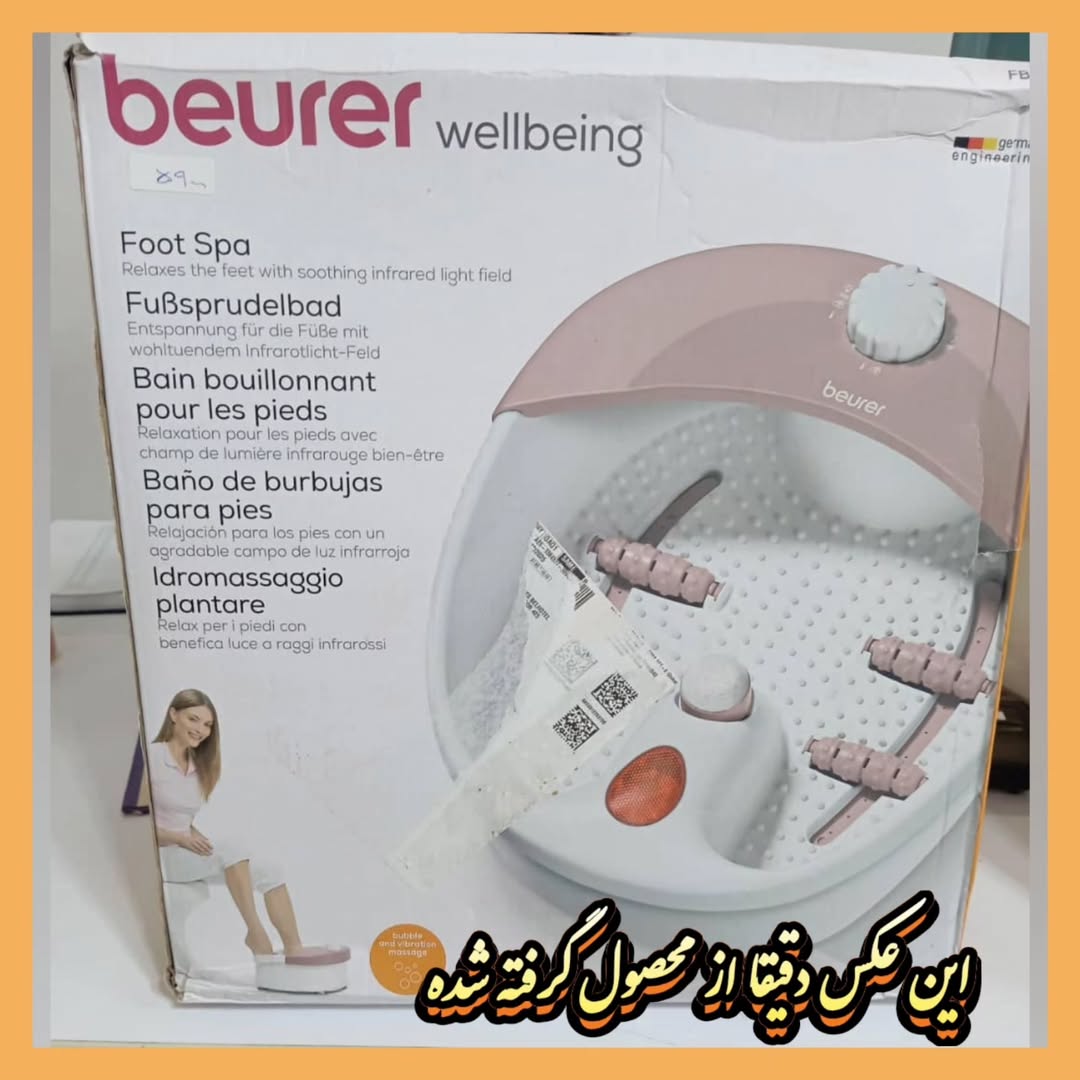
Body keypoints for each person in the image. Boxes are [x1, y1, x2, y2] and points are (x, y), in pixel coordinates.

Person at [147, 688, 304, 957]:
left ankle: (295, 950)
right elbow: (132, 822)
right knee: (233, 847)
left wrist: (193, 835)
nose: (201, 730)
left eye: (207, 725)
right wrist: (180, 838)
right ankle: (255, 932)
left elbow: (178, 818)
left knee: (270, 870)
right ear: (173, 714)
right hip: (157, 856)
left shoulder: (197, 767)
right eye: (193, 719)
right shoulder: (149, 757)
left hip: (183, 852)